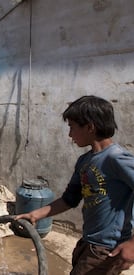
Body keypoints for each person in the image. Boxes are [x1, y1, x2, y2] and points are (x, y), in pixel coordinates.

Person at [15, 95, 134, 274]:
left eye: (72, 127)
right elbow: (69, 199)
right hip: (88, 242)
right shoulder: (84, 161)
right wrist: (36, 214)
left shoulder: (116, 159)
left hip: (105, 248)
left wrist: (132, 245)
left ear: (90, 127)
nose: (69, 134)